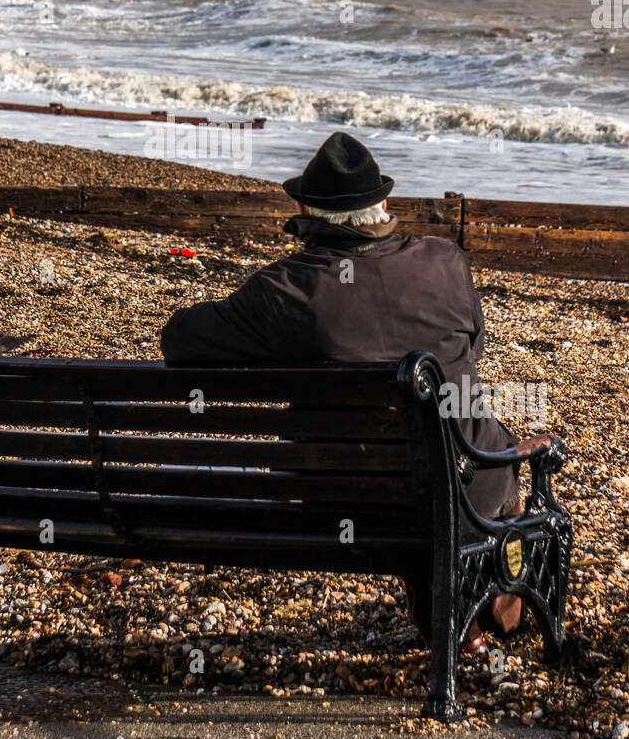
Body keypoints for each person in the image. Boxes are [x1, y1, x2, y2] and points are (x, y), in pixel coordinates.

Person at [160, 131, 521, 645]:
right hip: (462, 488)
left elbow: (178, 339)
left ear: (308, 211)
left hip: (343, 498)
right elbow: (473, 352)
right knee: (481, 451)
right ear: (384, 205)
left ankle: (456, 625)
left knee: (401, 467)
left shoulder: (284, 290)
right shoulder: (446, 263)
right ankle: (493, 616)